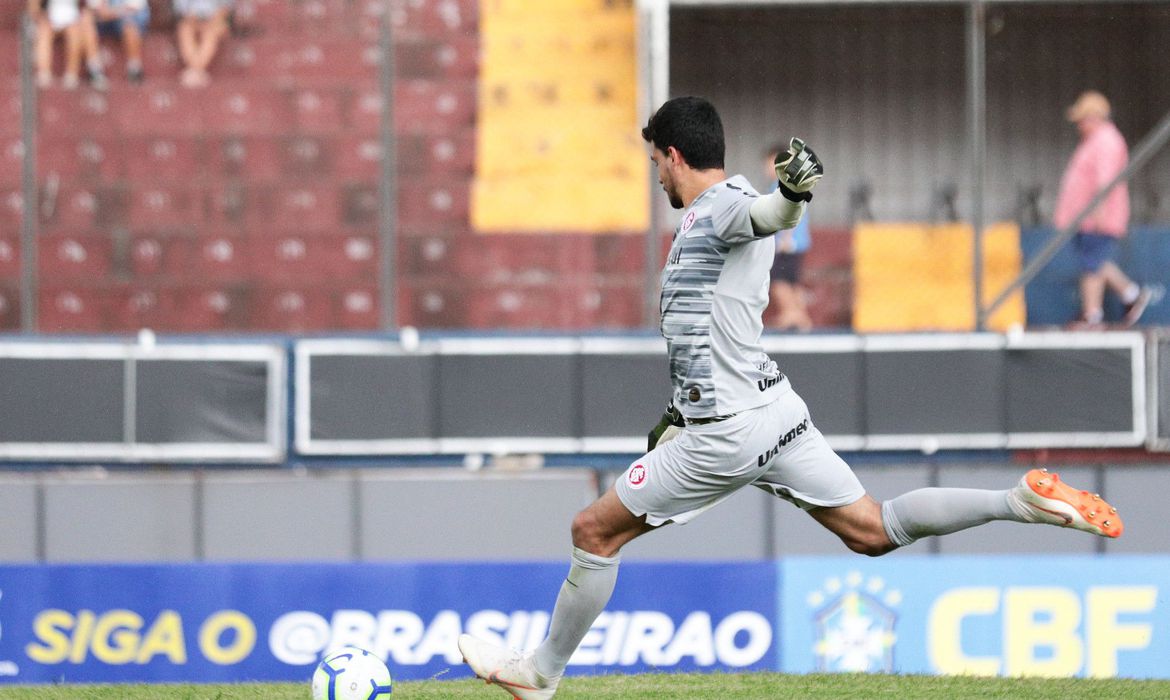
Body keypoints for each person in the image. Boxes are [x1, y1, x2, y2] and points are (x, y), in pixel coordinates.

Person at [457, 96, 1123, 699]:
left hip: (726, 432)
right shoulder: (716, 213)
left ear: (675, 155)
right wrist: (680, 411)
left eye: (656, 162)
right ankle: (1017, 501)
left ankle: (540, 675)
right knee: (872, 529)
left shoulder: (722, 206)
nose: (656, 176)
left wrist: (793, 194)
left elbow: (766, 214)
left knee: (593, 531)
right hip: (774, 411)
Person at [1055, 90, 1152, 328]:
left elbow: (1105, 180)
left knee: (1091, 263)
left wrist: (1099, 211)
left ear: (1094, 117)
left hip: (1097, 217)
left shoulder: (1107, 141)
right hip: (1086, 217)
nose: (1079, 125)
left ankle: (1093, 314)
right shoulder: (1095, 141)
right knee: (1093, 261)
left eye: (1082, 120)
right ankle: (1130, 294)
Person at [764, 144, 813, 331]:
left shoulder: (783, 185)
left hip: (788, 243)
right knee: (792, 282)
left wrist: (785, 239)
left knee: (778, 280)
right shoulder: (793, 183)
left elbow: (788, 213)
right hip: (797, 243)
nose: (768, 169)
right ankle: (801, 318)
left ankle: (792, 315)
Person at [173, 0, 233, 88]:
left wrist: (212, 21)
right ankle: (197, 70)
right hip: (192, 21)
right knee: (184, 29)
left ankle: (195, 70)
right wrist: (193, 19)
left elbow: (226, 9)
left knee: (211, 33)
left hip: (216, 21)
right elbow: (181, 10)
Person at [87, 0, 150, 84]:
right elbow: (97, 10)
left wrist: (109, 12)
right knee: (86, 21)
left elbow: (133, 9)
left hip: (126, 20)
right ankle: (94, 70)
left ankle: (134, 69)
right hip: (103, 22)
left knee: (129, 25)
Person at [29, 0, 86, 89]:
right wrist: (41, 17)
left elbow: (87, 8)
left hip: (72, 19)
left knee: (75, 36)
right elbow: (34, 8)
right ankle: (43, 73)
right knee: (43, 34)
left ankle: (72, 74)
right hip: (49, 17)